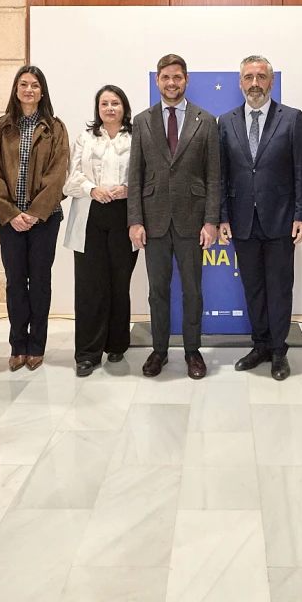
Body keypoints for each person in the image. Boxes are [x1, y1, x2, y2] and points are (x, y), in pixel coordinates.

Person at [218, 55, 302, 381]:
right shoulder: (225, 121)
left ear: (271, 82)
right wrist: (222, 217)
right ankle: (260, 345)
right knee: (254, 288)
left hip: (281, 219)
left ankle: (278, 351)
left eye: (260, 77)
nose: (254, 83)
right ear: (240, 83)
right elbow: (222, 175)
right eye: (248, 77)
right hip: (242, 221)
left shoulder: (292, 118)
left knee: (279, 288)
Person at [128, 54, 221, 380]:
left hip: (192, 221)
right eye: (165, 77)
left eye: (177, 77)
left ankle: (193, 351)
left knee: (193, 291)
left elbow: (213, 177)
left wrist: (211, 220)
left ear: (186, 80)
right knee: (158, 291)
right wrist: (135, 220)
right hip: (153, 221)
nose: (171, 83)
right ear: (157, 80)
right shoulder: (141, 121)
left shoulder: (205, 121)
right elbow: (135, 176)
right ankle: (159, 350)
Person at [0, 65, 70, 372]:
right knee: (15, 283)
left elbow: (58, 174)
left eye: (35, 84)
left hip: (45, 219)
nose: (29, 89)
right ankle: (17, 345)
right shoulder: (0, 127)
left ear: (42, 90)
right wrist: (11, 213)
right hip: (10, 220)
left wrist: (34, 213)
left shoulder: (55, 127)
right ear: (16, 89)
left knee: (40, 281)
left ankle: (37, 345)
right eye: (24, 84)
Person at [63, 85, 138, 377]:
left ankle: (117, 344)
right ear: (97, 109)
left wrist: (126, 190)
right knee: (90, 287)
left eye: (115, 103)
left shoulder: (136, 138)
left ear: (124, 108)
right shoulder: (84, 139)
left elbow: (144, 176)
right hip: (90, 215)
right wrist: (92, 189)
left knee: (119, 283)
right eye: (104, 103)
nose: (109, 108)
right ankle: (87, 353)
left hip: (124, 215)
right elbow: (71, 179)